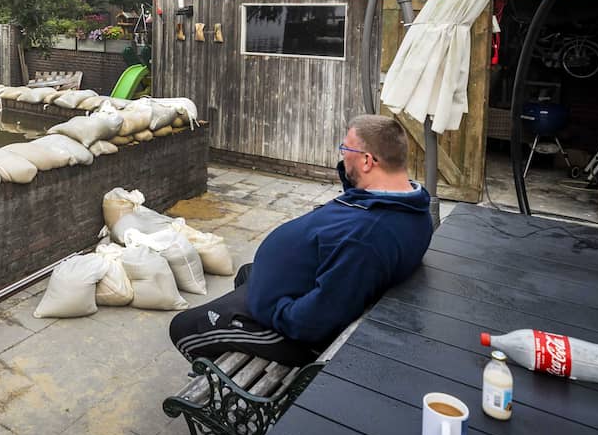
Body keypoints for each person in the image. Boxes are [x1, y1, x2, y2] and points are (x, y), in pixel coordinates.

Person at [169, 114, 434, 366]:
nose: (342, 156)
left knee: (183, 327)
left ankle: (232, 380)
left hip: (288, 329)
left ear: (367, 161)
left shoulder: (364, 239)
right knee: (247, 273)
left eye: (346, 150)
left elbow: (314, 321)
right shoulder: (412, 205)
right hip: (300, 286)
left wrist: (273, 307)